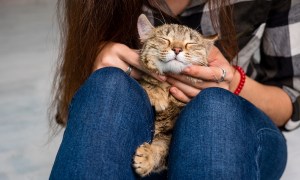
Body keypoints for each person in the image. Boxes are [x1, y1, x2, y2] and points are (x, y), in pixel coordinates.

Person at [49, 0, 300, 179]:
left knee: (214, 107)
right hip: (136, 136)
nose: (178, 49)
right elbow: (70, 108)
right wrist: (96, 55)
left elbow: (290, 98)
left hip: (238, 132)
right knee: (109, 85)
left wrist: (232, 83)